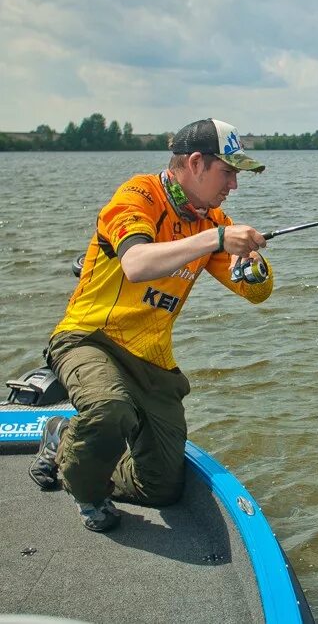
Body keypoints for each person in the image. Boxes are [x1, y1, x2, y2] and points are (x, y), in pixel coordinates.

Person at [29, 118, 273, 532]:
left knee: (161, 487)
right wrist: (215, 239)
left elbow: (256, 294)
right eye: (228, 172)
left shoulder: (211, 218)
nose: (233, 184)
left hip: (152, 358)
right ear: (196, 163)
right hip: (90, 338)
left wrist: (252, 266)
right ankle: (85, 491)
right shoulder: (138, 195)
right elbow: (137, 264)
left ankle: (66, 441)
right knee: (109, 409)